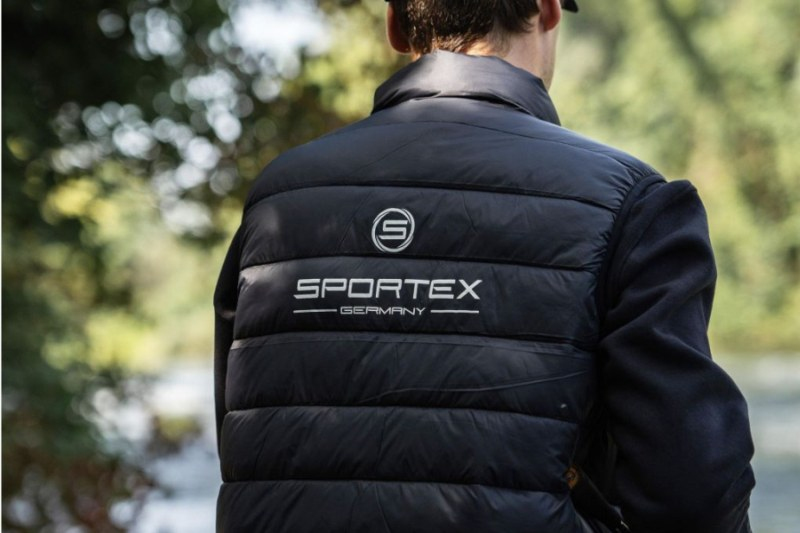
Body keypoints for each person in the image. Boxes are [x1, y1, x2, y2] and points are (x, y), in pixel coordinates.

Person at [213, 1, 756, 531]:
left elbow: (248, 445)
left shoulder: (277, 200)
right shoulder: (632, 205)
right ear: (547, 10)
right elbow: (693, 494)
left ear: (395, 26)